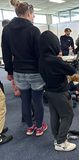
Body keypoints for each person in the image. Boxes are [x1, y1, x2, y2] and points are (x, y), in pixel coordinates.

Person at [2, 0, 47, 136]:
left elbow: (6, 53)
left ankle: (29, 127)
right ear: (28, 13)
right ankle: (39, 127)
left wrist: (9, 71)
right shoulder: (33, 29)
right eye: (33, 14)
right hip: (34, 71)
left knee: (25, 100)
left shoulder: (7, 29)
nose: (33, 17)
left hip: (18, 72)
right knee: (37, 100)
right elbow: (40, 54)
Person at [39, 30, 76, 152]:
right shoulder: (55, 60)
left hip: (48, 91)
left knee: (55, 115)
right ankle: (61, 142)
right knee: (67, 115)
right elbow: (71, 70)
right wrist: (60, 58)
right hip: (60, 92)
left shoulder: (41, 59)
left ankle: (58, 137)